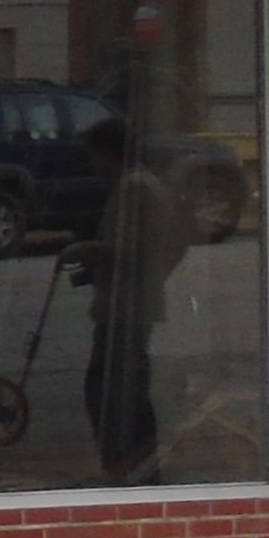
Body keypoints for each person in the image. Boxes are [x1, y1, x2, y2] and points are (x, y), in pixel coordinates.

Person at [76, 115, 190, 481]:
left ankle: (127, 465)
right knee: (129, 387)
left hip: (124, 308)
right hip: (133, 302)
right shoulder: (148, 186)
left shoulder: (134, 188)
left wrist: (84, 252)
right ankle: (138, 464)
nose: (94, 165)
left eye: (96, 156)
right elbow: (170, 243)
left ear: (110, 154)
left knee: (110, 389)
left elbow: (125, 248)